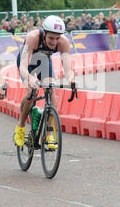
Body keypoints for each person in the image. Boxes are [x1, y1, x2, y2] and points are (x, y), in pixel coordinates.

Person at [13, 15, 75, 149]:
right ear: (44, 33)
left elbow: (68, 69)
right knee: (32, 91)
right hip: (27, 62)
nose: (54, 42)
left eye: (57, 38)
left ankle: (50, 133)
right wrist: (30, 78)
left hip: (43, 61)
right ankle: (21, 126)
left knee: (51, 90)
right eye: (51, 38)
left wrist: (71, 80)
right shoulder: (33, 37)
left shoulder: (63, 42)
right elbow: (23, 67)